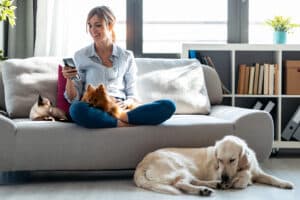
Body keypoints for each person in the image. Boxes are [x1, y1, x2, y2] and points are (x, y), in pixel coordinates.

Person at [62, 6, 176, 128]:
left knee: (168, 105)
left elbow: (132, 94)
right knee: (76, 109)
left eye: (98, 25)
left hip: (120, 108)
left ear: (110, 25)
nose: (92, 30)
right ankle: (121, 123)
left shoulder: (126, 56)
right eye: (90, 25)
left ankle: (121, 118)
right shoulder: (81, 56)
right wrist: (69, 78)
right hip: (94, 107)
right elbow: (73, 98)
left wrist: (126, 103)